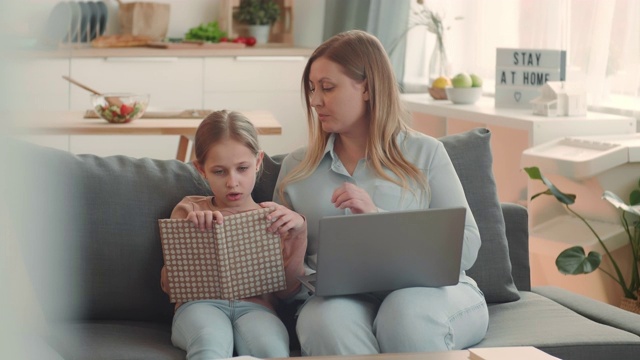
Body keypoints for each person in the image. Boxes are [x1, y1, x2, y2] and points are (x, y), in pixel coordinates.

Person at [273, 30, 489, 355]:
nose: (315, 100)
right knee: (323, 321)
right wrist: (295, 248)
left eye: (328, 88)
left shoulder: (425, 154)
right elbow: (279, 282)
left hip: (428, 294)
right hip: (340, 300)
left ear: (368, 88)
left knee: (404, 315)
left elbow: (467, 246)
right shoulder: (296, 168)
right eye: (312, 89)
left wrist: (377, 218)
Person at [160, 110, 307, 360]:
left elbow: (289, 292)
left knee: (271, 350)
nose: (232, 182)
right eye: (219, 171)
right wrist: (192, 237)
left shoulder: (274, 217)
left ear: (258, 162)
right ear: (201, 169)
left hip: (257, 309)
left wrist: (298, 234)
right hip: (199, 306)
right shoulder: (190, 209)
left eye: (242, 168)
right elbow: (168, 285)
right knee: (209, 343)